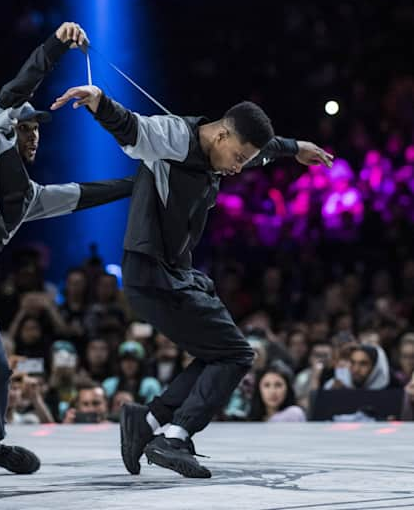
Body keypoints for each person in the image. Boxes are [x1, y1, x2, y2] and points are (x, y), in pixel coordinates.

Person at [51, 82, 333, 478]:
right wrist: (99, 103)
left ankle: (147, 422)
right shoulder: (173, 137)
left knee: (218, 354)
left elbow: (259, 153)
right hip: (151, 272)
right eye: (237, 157)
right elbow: (132, 128)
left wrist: (295, 146)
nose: (238, 167)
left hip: (173, 273)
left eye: (243, 160)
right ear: (220, 134)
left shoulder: (224, 151)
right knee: (236, 354)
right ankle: (173, 437)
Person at [0, 23, 134, 480]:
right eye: (26, 127)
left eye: (38, 129)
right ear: (8, 128)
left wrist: (143, 182)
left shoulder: (30, 198)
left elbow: (83, 193)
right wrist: (58, 44)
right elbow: (21, 84)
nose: (34, 135)